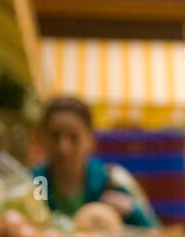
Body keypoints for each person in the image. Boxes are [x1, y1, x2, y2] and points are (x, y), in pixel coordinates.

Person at [33, 96, 157, 227]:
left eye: (73, 137)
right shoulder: (34, 182)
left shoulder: (111, 180)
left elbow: (153, 230)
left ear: (90, 140)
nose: (63, 147)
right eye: (55, 136)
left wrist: (132, 211)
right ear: (43, 137)